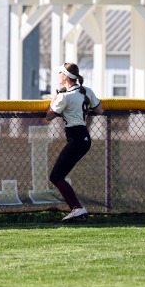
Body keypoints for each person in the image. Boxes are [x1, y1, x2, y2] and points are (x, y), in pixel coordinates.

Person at [46, 63, 104, 222]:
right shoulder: (86, 91)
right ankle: (77, 209)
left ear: (65, 76)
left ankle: (77, 208)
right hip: (84, 137)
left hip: (76, 138)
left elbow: (49, 116)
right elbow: (99, 110)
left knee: (56, 176)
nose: (58, 75)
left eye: (60, 72)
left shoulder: (65, 96)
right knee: (58, 175)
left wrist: (54, 98)